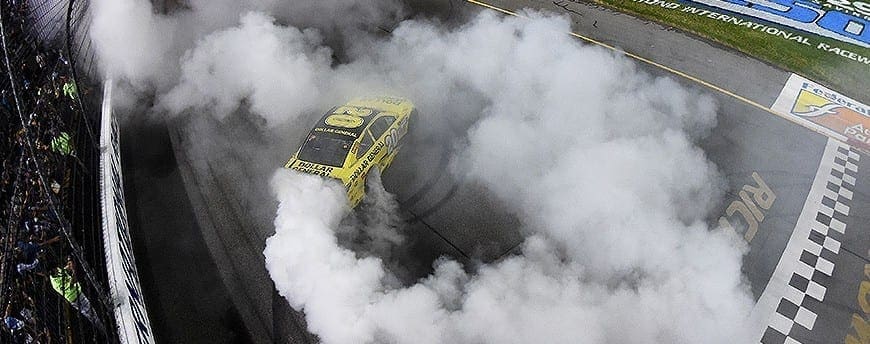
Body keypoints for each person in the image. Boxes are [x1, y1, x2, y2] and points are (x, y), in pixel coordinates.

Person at [50, 257, 104, 331]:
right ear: (52, 271)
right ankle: (103, 330)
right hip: (74, 298)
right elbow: (72, 283)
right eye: (55, 269)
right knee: (91, 313)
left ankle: (101, 328)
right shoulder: (56, 283)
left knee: (91, 313)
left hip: (78, 292)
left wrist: (69, 266)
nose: (57, 269)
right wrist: (74, 271)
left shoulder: (58, 270)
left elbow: (64, 270)